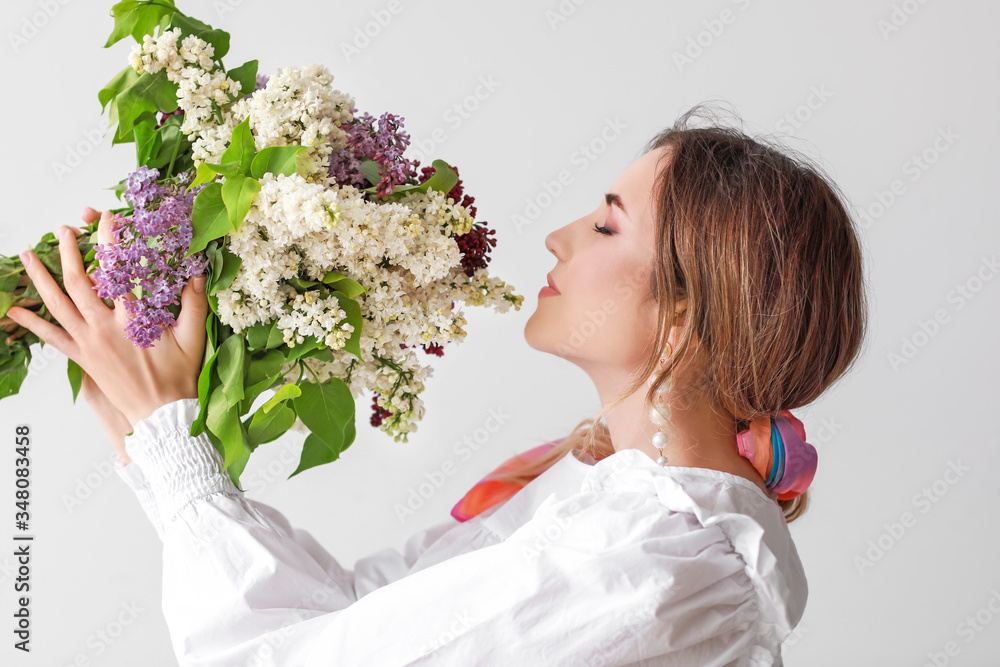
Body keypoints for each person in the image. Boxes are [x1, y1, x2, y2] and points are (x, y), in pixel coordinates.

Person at [6, 103, 868, 665]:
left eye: (608, 223)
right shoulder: (603, 498)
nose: (561, 237)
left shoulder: (657, 570)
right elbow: (348, 619)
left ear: (683, 314)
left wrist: (170, 429)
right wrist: (139, 420)